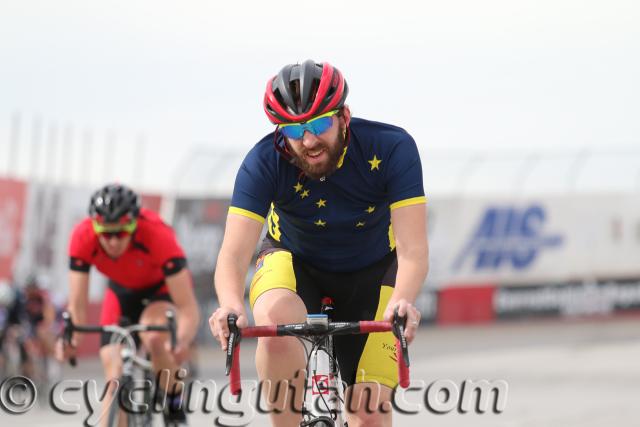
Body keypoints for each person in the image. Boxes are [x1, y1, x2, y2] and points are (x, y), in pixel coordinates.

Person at [209, 60, 428, 426]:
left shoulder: (392, 148)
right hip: (293, 261)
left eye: (319, 124)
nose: (308, 141)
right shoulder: (263, 161)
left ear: (344, 115)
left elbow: (414, 251)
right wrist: (230, 304)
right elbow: (232, 255)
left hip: (372, 272)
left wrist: (403, 298)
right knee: (276, 328)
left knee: (368, 411)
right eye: (294, 129)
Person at [57, 183, 200, 425]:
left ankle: (173, 404)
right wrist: (70, 340)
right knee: (114, 376)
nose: (112, 241)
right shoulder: (82, 237)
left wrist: (181, 341)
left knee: (156, 338)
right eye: (105, 232)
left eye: (121, 232)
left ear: (134, 224)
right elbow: (77, 306)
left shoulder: (157, 234)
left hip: (161, 291)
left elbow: (187, 307)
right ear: (95, 226)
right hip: (121, 293)